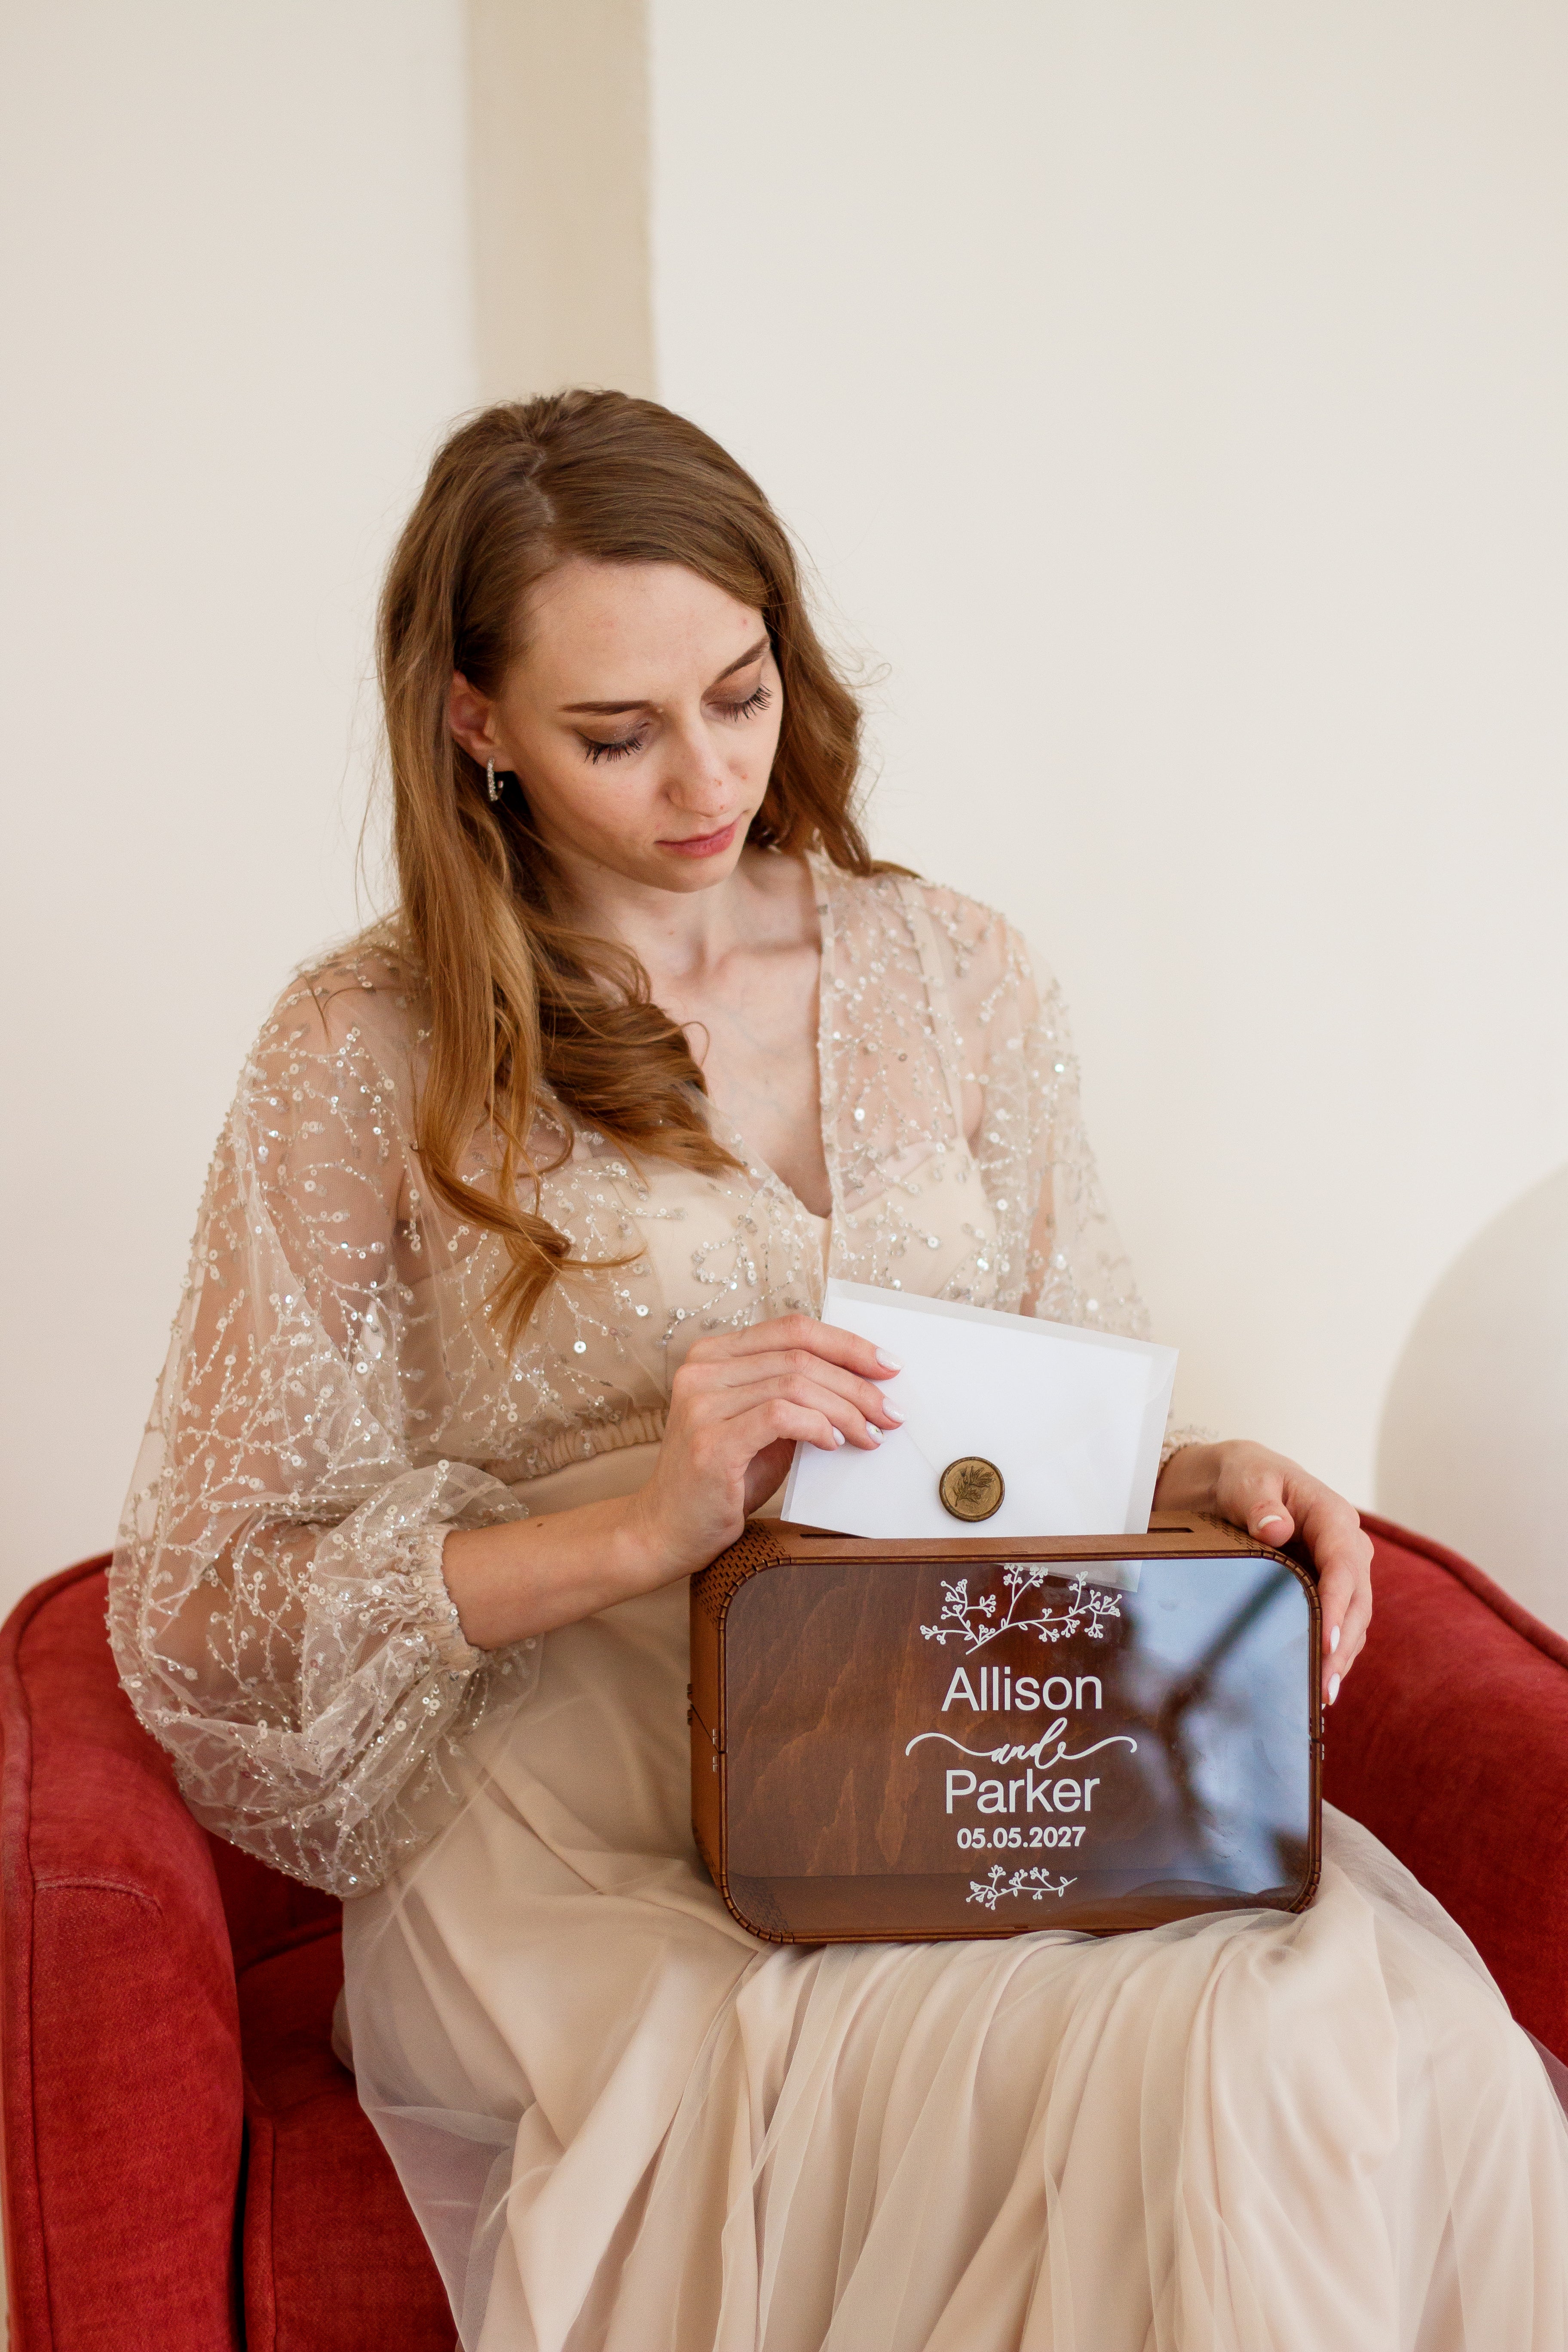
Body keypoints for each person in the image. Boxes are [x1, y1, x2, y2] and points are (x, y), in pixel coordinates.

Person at [110, 392, 1568, 2352]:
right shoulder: (367, 1043)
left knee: (1352, 2024)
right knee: (1103, 2059)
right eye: (614, 734)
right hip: (589, 1794)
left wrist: (1206, 1469)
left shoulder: (960, 975)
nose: (705, 777)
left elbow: (1060, 1415)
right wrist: (644, 1525)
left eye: (741, 691)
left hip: (957, 1707)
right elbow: (210, 1609)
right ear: (474, 723)